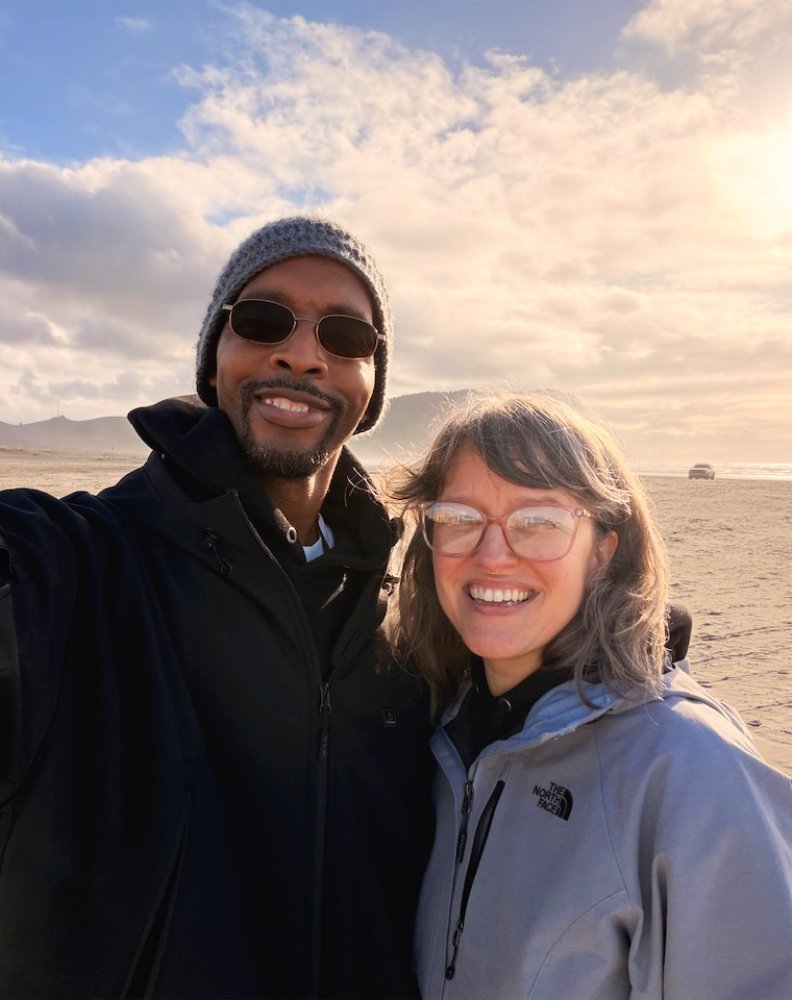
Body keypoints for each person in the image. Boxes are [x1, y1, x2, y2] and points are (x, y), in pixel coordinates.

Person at [0, 217, 435, 998]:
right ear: (214, 358)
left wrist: (609, 644)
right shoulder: (79, 567)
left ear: (371, 390)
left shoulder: (404, 622)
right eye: (265, 319)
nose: (303, 354)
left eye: (346, 336)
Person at [390, 392, 792, 1000]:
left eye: (538, 523)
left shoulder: (690, 770)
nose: (493, 556)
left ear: (603, 551)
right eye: (461, 520)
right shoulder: (441, 732)